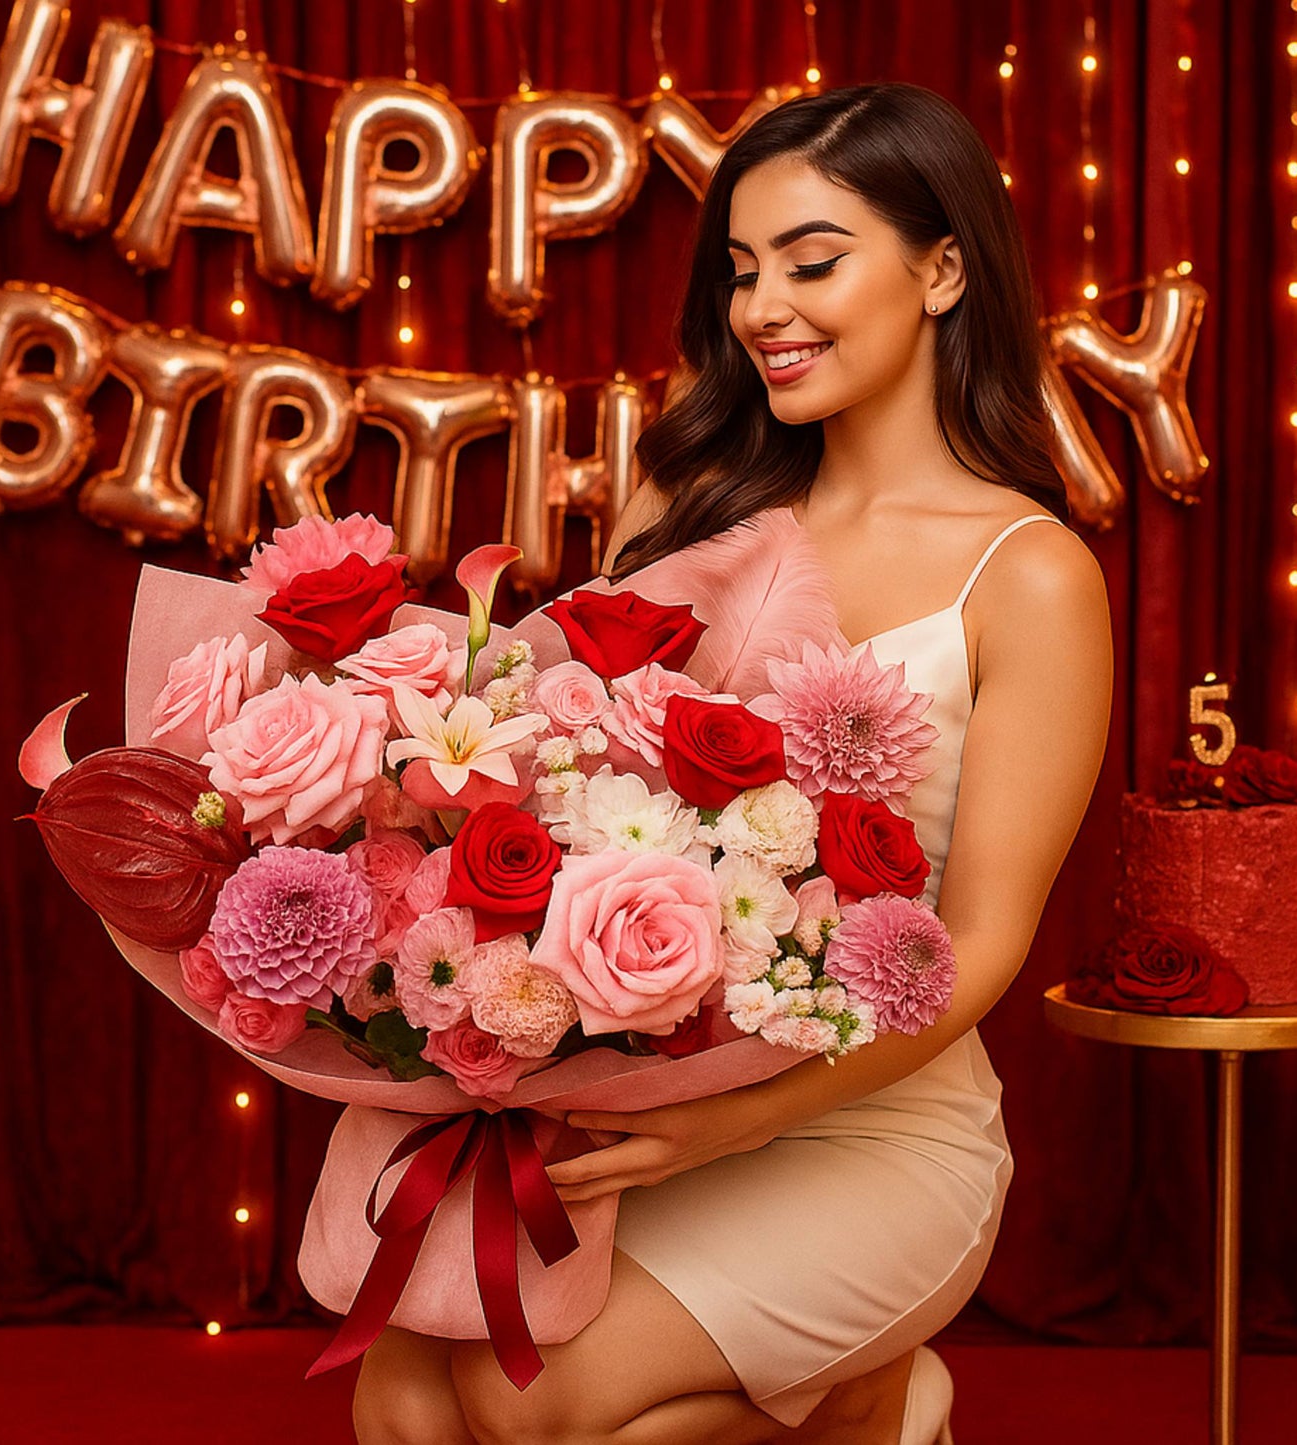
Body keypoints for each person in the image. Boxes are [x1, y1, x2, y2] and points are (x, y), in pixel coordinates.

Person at [353, 83, 1112, 1445]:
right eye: (743, 270)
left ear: (941, 268)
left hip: (870, 1124)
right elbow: (559, 787)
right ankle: (854, 1412)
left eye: (813, 262)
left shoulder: (1032, 574)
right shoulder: (684, 501)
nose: (765, 306)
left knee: (555, 1412)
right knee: (406, 1399)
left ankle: (877, 1402)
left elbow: (986, 942)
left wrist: (741, 1126)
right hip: (640, 1094)